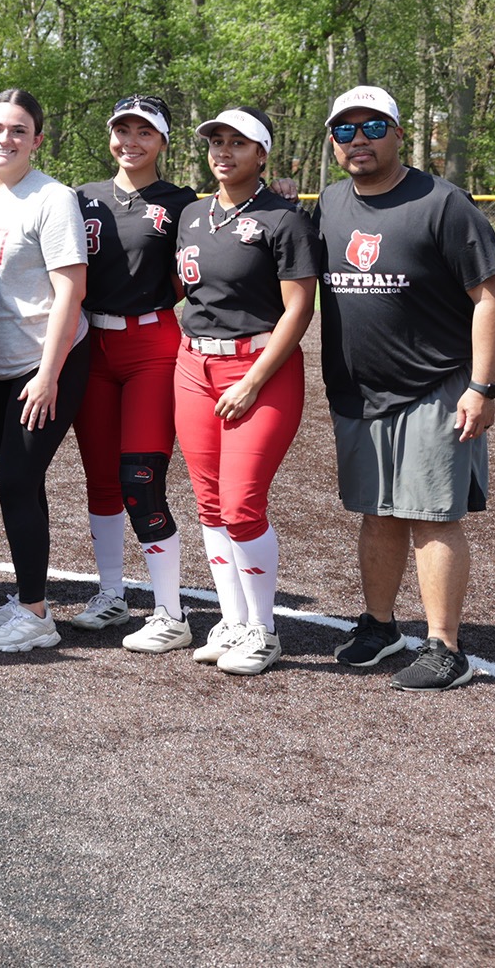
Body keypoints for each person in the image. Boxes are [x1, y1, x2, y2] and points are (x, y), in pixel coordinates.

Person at [314, 85, 495, 692]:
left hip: (435, 385)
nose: (359, 140)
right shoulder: (326, 205)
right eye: (345, 131)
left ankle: (445, 646)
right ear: (332, 143)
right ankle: (379, 626)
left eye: (372, 128)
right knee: (377, 512)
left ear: (398, 133)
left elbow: (490, 297)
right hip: (359, 391)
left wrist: (481, 386)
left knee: (431, 516)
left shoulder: (442, 203)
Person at [173, 107, 318, 675]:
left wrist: (253, 381)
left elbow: (299, 309)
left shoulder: (285, 220)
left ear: (263, 153)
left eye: (239, 143)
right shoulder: (190, 215)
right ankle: (232, 620)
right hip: (193, 368)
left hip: (259, 369)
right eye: (216, 142)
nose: (223, 152)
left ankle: (263, 629)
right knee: (209, 505)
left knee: (240, 504)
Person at [0, 89, 90, 654]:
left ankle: (36, 614)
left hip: (44, 361)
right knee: (20, 483)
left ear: (37, 139)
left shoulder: (53, 199)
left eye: (17, 130)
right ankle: (28, 595)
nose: (3, 139)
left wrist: (49, 372)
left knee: (14, 479)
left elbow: (71, 290)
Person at [69, 95, 200, 647]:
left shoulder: (183, 202)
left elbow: (189, 277)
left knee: (140, 481)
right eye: (121, 129)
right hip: (90, 344)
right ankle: (111, 593)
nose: (131, 140)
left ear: (163, 142)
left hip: (151, 343)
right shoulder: (81, 198)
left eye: (144, 131)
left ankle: (170, 613)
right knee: (100, 479)